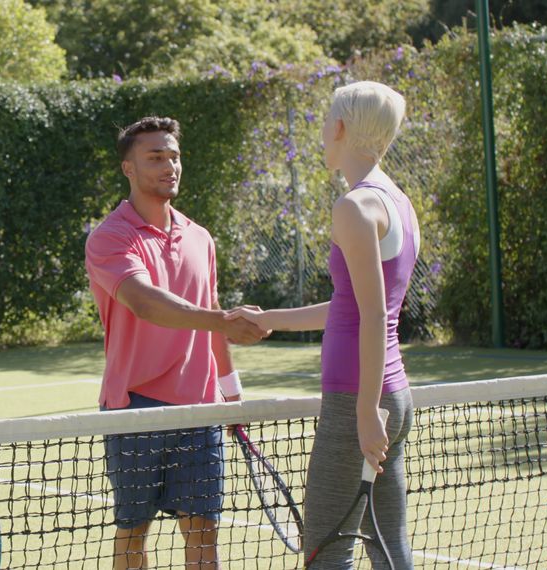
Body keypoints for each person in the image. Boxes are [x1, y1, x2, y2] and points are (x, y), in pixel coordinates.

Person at [226, 81, 417, 567]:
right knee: (389, 545)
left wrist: (365, 410)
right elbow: (350, 306)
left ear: (339, 128)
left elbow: (373, 316)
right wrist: (266, 319)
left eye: (324, 123)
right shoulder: (398, 202)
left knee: (326, 551)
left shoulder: (354, 207)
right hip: (391, 395)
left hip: (360, 399)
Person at [84, 116, 268, 569]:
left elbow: (212, 317)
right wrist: (223, 320)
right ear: (129, 168)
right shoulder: (110, 237)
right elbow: (146, 303)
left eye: (174, 156)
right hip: (133, 409)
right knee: (133, 533)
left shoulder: (201, 238)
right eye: (155, 158)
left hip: (201, 410)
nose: (170, 166)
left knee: (204, 538)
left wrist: (232, 392)